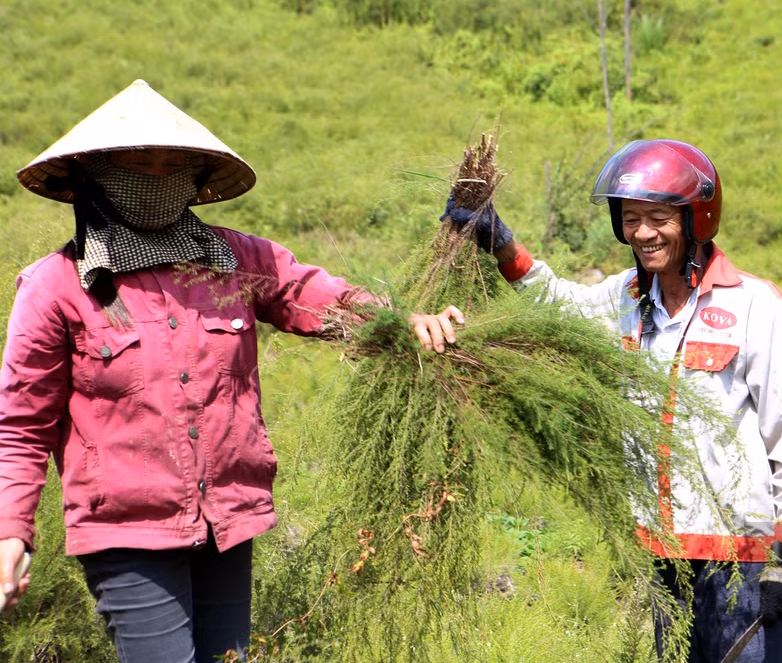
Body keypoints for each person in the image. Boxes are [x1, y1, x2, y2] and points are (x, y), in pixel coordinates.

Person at [0, 79, 462, 662]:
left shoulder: (237, 260)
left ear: (194, 179)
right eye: (139, 162)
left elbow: (315, 295)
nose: (158, 177)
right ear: (95, 173)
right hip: (127, 531)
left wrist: (400, 322)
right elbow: (21, 424)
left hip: (227, 520)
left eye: (173, 165)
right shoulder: (57, 284)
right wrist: (10, 531)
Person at [442, 139, 782, 662]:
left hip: (741, 556)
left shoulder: (754, 306)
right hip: (663, 551)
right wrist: (504, 247)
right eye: (630, 218)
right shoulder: (625, 297)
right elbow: (561, 306)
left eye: (657, 217)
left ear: (696, 218)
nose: (642, 233)